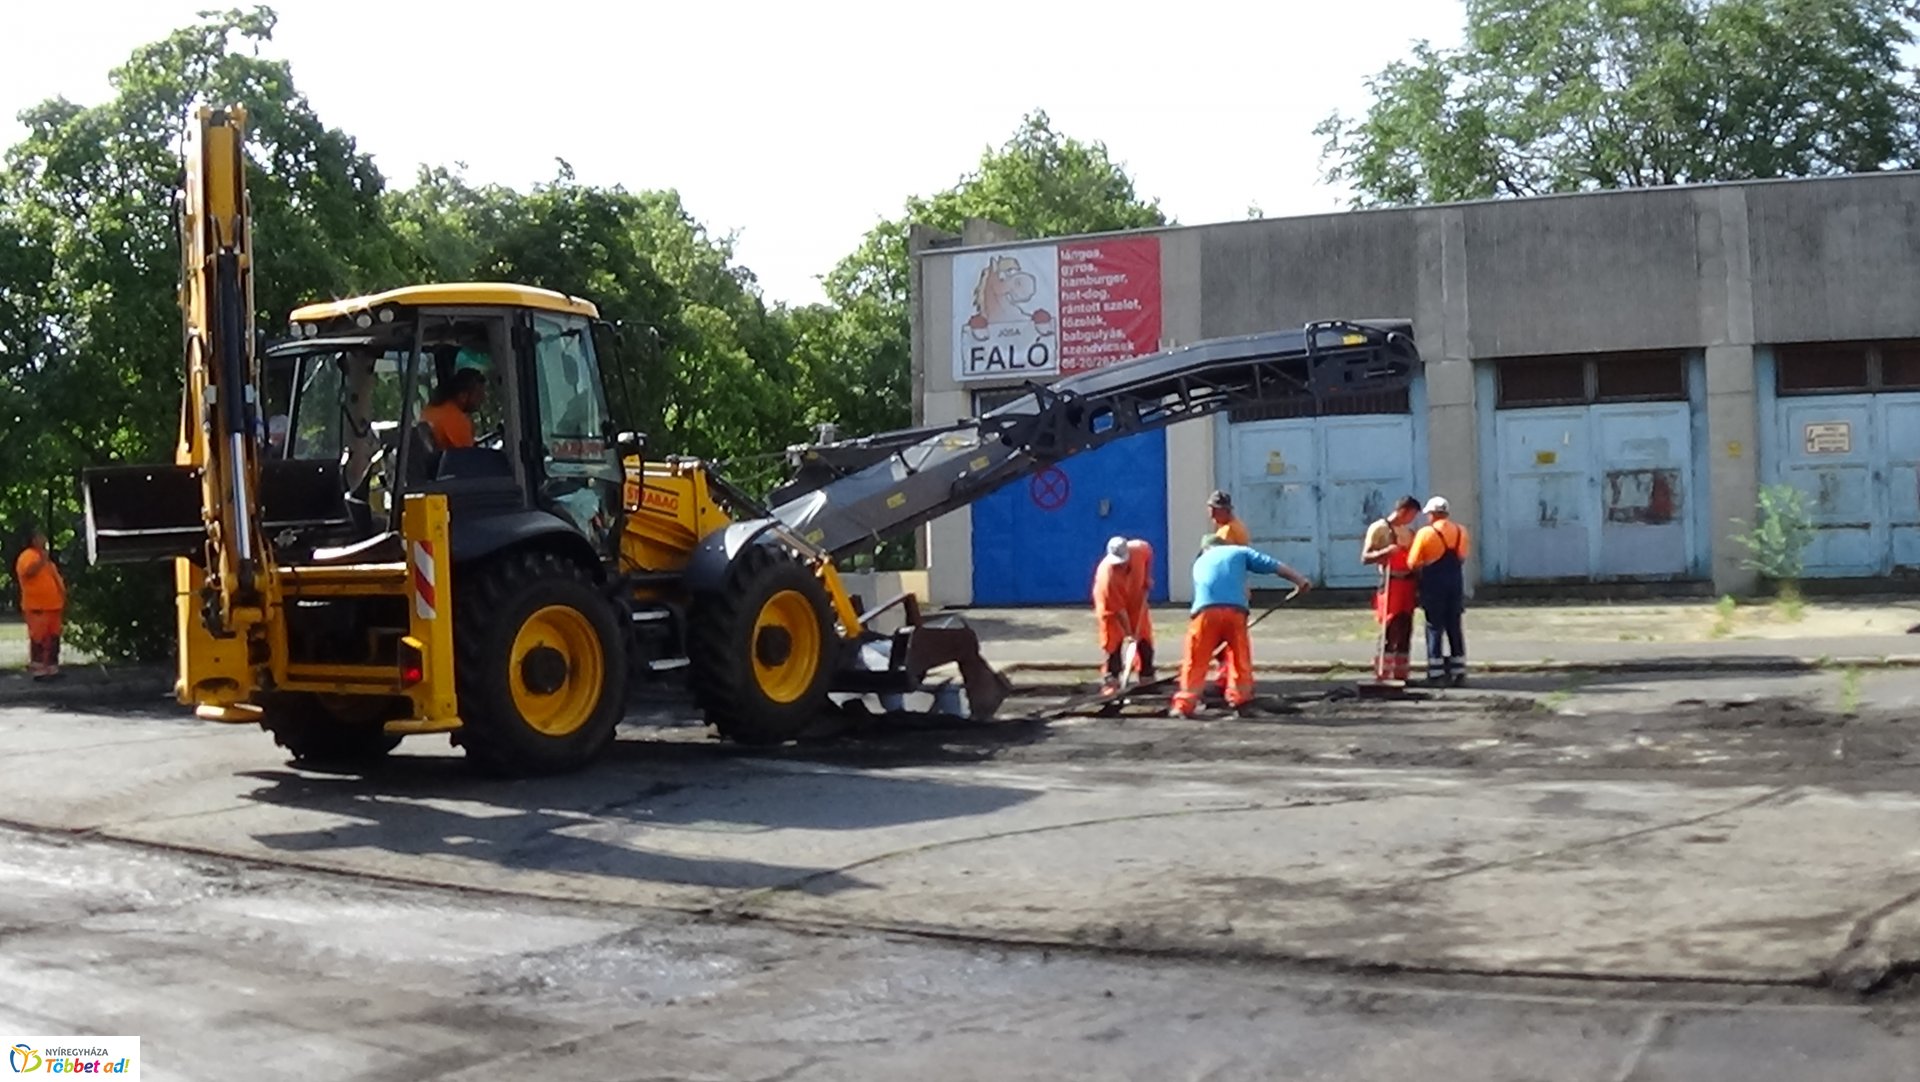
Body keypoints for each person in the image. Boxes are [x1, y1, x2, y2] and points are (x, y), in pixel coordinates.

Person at [1171, 535, 1310, 718]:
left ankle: (1184, 705)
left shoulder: (1201, 561)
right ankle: (1241, 701)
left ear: (1205, 549)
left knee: (1196, 660)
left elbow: (1212, 586)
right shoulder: (1239, 551)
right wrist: (1300, 581)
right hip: (1235, 612)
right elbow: (1273, 565)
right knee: (1238, 658)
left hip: (1205, 612)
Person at [1407, 496, 1472, 687]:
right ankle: (1458, 671)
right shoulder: (1461, 531)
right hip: (1455, 583)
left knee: (1434, 627)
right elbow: (1461, 556)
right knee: (1454, 627)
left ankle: (1435, 673)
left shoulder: (1426, 533)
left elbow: (1413, 563)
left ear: (1433, 514)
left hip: (1434, 585)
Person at [1362, 496, 1422, 683]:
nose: (1412, 519)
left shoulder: (1410, 532)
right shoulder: (1379, 529)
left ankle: (1401, 672)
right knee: (1390, 627)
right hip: (1391, 582)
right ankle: (1383, 672)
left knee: (1405, 627)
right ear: (1404, 511)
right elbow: (1365, 557)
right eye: (1411, 515)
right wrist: (1385, 552)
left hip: (1408, 583)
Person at [1091, 536, 1155, 693]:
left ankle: (1146, 676)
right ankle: (1111, 679)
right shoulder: (1107, 576)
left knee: (1144, 639)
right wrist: (1129, 633)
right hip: (1111, 610)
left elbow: (1148, 554)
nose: (1120, 565)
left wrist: (1146, 577)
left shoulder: (1139, 550)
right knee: (1112, 642)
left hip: (1136, 601)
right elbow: (1118, 610)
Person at [15, 530, 67, 680]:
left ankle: (52, 668)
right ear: (33, 540)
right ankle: (39, 671)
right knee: (39, 639)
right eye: (40, 536)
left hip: (53, 606)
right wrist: (41, 560)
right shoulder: (27, 556)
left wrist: (62, 594)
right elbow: (28, 572)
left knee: (53, 638)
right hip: (38, 606)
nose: (44, 538)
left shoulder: (46, 559)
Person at [420, 367, 486, 450]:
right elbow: (470, 458)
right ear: (463, 396)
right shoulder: (455, 418)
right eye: (478, 395)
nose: (483, 399)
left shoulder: (430, 410)